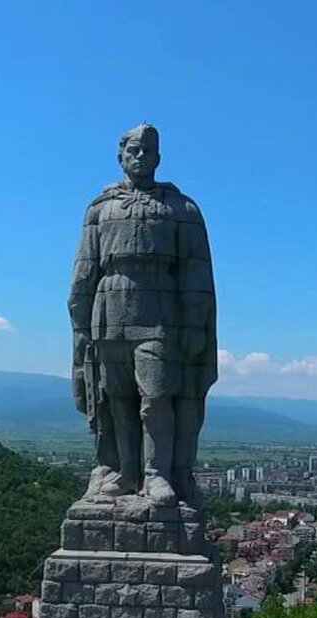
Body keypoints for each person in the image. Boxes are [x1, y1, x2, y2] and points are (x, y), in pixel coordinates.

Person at [69, 123, 218, 506]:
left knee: (156, 397)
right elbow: (85, 268)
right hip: (109, 311)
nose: (140, 157)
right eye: (133, 151)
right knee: (116, 398)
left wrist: (195, 322)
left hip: (160, 313)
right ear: (120, 156)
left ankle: (157, 474)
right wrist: (81, 322)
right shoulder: (100, 209)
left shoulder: (180, 209)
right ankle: (124, 471)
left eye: (148, 151)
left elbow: (196, 271)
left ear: (159, 158)